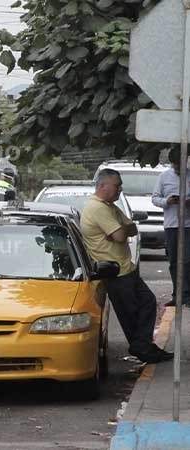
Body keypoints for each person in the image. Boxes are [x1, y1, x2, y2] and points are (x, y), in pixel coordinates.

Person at [81, 169, 173, 363]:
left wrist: (122, 230)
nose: (120, 189)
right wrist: (121, 230)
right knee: (132, 312)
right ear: (102, 186)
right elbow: (122, 235)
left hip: (125, 267)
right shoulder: (97, 208)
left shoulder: (110, 207)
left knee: (146, 302)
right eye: (117, 185)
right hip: (114, 271)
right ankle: (142, 348)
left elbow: (131, 227)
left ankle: (143, 346)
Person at [152, 148, 190, 307]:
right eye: (176, 165)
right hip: (172, 225)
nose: (179, 168)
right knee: (174, 261)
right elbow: (155, 198)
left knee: (187, 261)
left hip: (188, 225)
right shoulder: (164, 177)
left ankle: (187, 296)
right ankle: (177, 294)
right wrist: (168, 201)